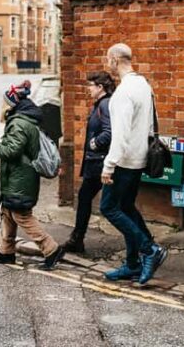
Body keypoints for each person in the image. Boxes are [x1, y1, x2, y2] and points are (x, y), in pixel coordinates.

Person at [100, 43, 167, 286]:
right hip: (139, 159)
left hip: (123, 161)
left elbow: (121, 133)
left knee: (109, 208)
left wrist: (109, 165)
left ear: (116, 59)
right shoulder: (143, 85)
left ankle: (149, 249)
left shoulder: (123, 93)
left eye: (108, 59)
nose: (107, 63)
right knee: (126, 207)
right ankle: (132, 264)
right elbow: (148, 126)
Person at [0, 80, 66, 270]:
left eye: (4, 102)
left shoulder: (19, 123)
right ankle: (6, 252)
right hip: (17, 177)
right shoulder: (22, 119)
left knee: (21, 215)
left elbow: (11, 151)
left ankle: (51, 249)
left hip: (20, 178)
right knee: (7, 212)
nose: (1, 106)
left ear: (11, 104)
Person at [62, 71, 115, 253]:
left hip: (99, 163)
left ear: (100, 87)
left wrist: (94, 143)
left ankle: (145, 244)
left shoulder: (105, 104)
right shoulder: (102, 104)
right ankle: (77, 239)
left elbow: (109, 132)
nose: (88, 89)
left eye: (91, 86)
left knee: (107, 203)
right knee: (86, 197)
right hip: (97, 162)